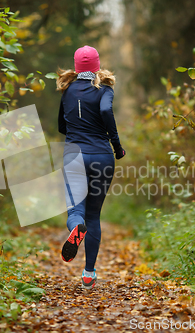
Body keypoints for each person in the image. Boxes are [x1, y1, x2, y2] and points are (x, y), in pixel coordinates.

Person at [57, 45, 126, 289]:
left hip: (74, 156)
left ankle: (76, 228)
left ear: (76, 67)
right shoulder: (104, 90)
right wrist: (117, 146)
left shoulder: (66, 91)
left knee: (76, 211)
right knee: (94, 215)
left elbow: (61, 127)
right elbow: (106, 110)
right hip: (101, 156)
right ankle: (88, 274)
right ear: (96, 66)